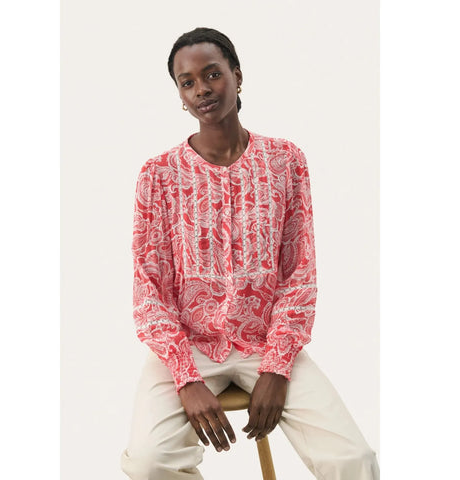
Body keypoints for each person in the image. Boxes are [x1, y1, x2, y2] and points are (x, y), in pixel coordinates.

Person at [120, 27, 380, 480]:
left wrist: (277, 368)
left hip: (267, 342)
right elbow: (149, 289)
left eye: (212, 74)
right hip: (187, 347)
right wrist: (186, 378)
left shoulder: (285, 161)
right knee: (148, 462)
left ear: (237, 77)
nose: (201, 89)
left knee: (352, 460)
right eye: (187, 82)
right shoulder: (158, 175)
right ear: (180, 96)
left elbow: (299, 272)